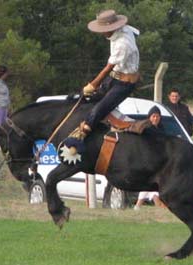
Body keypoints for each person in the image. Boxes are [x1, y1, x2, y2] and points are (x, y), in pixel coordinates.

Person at [65, 9, 140, 154]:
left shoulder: (123, 44)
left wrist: (92, 85)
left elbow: (107, 68)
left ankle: (80, 138)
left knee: (98, 109)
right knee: (90, 98)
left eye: (103, 30)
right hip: (115, 77)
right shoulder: (124, 30)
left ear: (111, 28)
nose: (101, 33)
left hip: (125, 84)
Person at [134, 106, 164, 210]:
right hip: (147, 160)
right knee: (150, 183)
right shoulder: (145, 129)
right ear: (149, 117)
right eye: (153, 116)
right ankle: (155, 204)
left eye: (157, 116)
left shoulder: (161, 129)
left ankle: (139, 205)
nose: (155, 118)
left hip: (158, 161)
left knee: (150, 184)